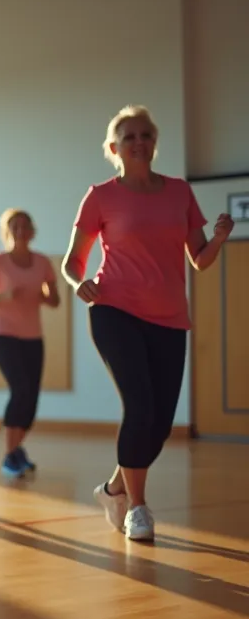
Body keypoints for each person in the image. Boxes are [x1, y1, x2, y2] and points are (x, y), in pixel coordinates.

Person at [63, 105, 234, 541]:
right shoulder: (100, 195)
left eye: (145, 135)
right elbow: (72, 261)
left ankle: (114, 488)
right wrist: (79, 283)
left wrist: (216, 239)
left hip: (170, 317)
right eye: (128, 136)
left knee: (159, 424)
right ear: (113, 148)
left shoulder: (179, 193)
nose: (138, 142)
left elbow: (198, 260)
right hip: (114, 310)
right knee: (139, 407)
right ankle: (137, 507)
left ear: (154, 142)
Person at [0, 209, 59, 479]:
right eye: (14, 226)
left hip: (32, 334)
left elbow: (55, 300)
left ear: (33, 231)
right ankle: (9, 456)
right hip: (2, 332)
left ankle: (18, 449)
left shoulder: (43, 262)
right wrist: (4, 296)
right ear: (7, 231)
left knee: (31, 397)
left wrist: (42, 296)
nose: (20, 230)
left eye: (25, 225)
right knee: (19, 388)